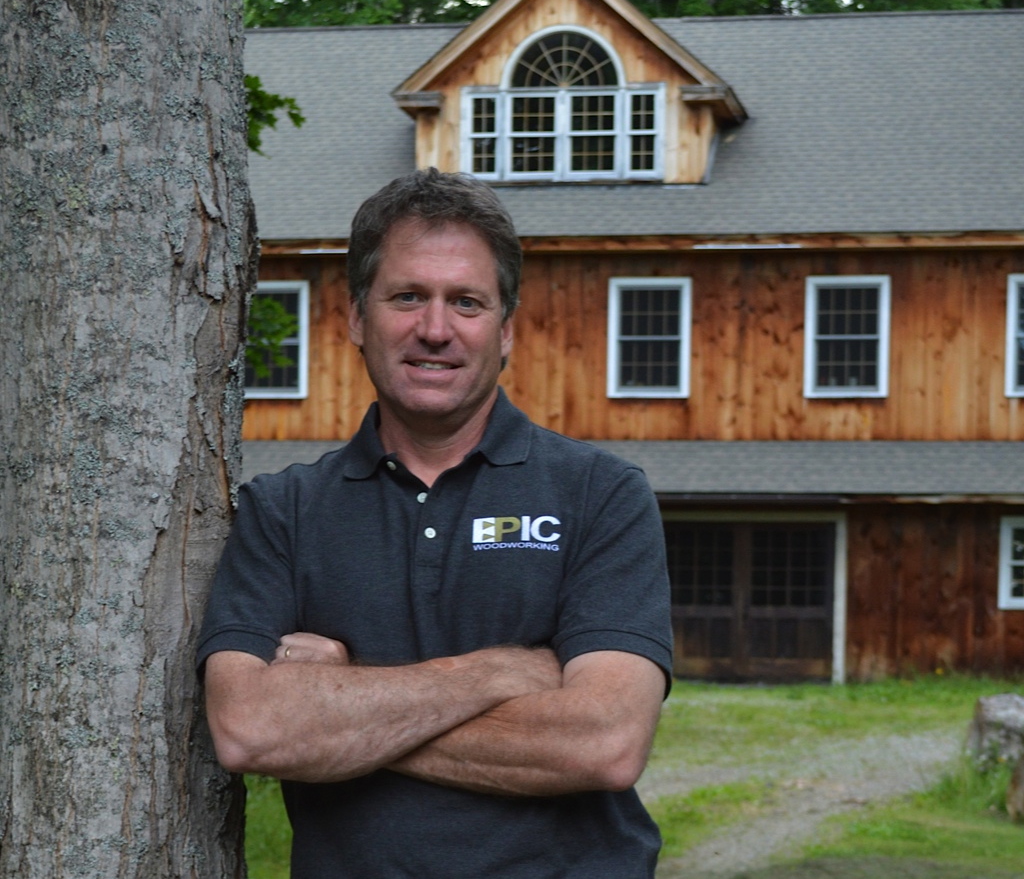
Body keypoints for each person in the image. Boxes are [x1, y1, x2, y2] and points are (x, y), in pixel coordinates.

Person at [197, 168, 673, 878]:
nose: (435, 329)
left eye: (467, 302)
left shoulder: (599, 496)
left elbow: (604, 741)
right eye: (408, 296)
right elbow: (249, 729)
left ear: (505, 330)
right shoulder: (283, 512)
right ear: (357, 317)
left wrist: (342, 698)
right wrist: (499, 670)